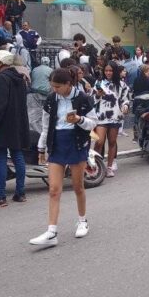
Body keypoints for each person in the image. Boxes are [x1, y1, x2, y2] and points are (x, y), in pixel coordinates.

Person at [31, 68, 97, 247]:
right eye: (52, 86)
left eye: (58, 86)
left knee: (77, 186)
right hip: (56, 143)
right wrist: (41, 147)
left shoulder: (83, 98)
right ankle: (52, 232)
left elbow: (93, 122)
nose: (54, 90)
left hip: (76, 142)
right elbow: (46, 125)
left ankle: (82, 220)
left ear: (68, 84)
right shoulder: (51, 100)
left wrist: (79, 120)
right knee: (53, 189)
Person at [0, 50, 30, 207]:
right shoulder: (20, 78)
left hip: (3, 125)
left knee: (1, 158)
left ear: (0, 63)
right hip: (17, 124)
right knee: (17, 156)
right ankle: (20, 193)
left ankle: (1, 196)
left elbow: (0, 104)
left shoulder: (2, 79)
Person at [93, 61, 130, 178]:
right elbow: (92, 99)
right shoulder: (99, 83)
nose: (108, 73)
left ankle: (109, 167)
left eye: (110, 71)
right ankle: (95, 166)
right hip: (101, 116)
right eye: (106, 71)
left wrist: (125, 106)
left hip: (115, 116)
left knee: (112, 142)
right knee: (99, 141)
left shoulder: (122, 85)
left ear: (115, 72)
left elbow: (126, 99)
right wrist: (98, 95)